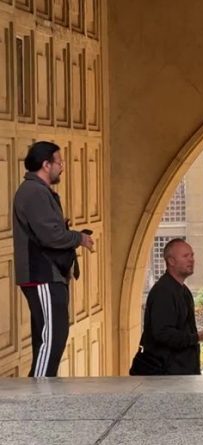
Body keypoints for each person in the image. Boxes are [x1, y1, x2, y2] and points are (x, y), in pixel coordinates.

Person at [13, 141, 94, 377]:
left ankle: (40, 390)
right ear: (46, 164)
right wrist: (78, 238)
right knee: (53, 336)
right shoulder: (34, 192)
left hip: (48, 274)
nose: (63, 167)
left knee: (49, 336)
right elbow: (50, 235)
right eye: (59, 162)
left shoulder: (37, 191)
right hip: (43, 274)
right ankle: (37, 393)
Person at [135, 239, 203, 375]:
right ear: (171, 261)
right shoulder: (163, 292)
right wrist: (195, 338)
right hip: (166, 376)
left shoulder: (183, 290)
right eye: (185, 256)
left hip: (180, 373)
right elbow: (163, 333)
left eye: (192, 255)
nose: (191, 260)